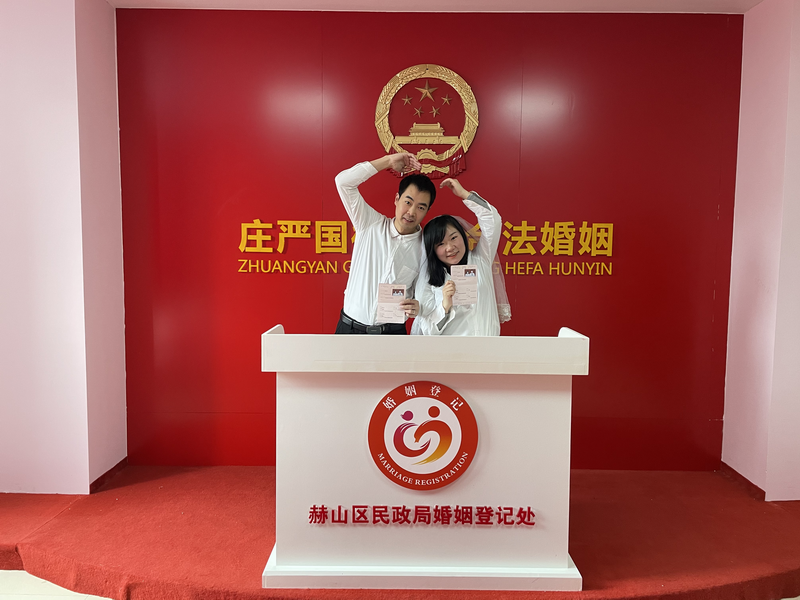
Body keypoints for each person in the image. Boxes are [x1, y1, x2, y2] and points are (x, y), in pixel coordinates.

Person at [334, 153, 437, 334]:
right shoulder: (369, 223)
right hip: (349, 329)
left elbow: (425, 294)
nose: (411, 212)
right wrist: (388, 162)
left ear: (427, 211)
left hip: (392, 333)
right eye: (408, 202)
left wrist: (419, 306)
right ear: (397, 199)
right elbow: (343, 182)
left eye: (421, 207)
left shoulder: (425, 247)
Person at [412, 178, 505, 336]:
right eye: (440, 244)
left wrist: (464, 194)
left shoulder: (481, 260)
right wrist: (445, 306)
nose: (450, 248)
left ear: (463, 235)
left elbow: (492, 221)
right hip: (451, 350)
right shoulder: (429, 280)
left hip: (487, 348)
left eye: (454, 238)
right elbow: (428, 331)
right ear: (432, 250)